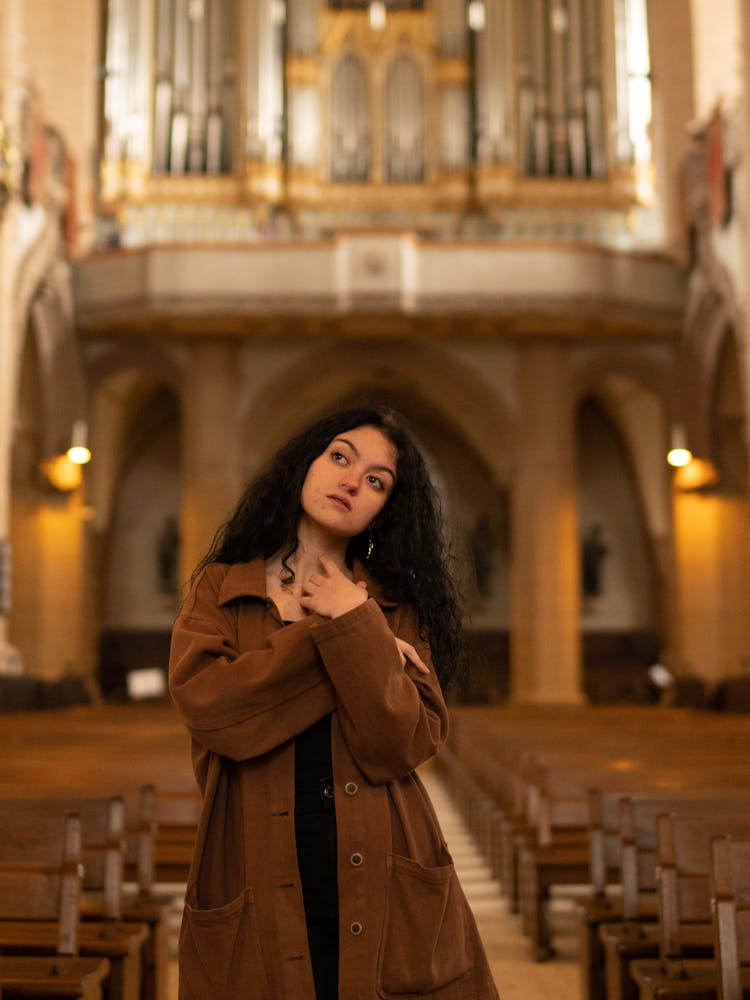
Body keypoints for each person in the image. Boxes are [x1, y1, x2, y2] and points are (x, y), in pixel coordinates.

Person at [168, 404, 500, 999]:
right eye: (340, 457)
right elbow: (215, 711)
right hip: (252, 860)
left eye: (376, 481)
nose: (352, 480)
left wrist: (358, 615)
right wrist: (354, 641)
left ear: (384, 512)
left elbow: (401, 743)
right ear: (306, 464)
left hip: (380, 858)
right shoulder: (222, 587)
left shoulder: (393, 605)